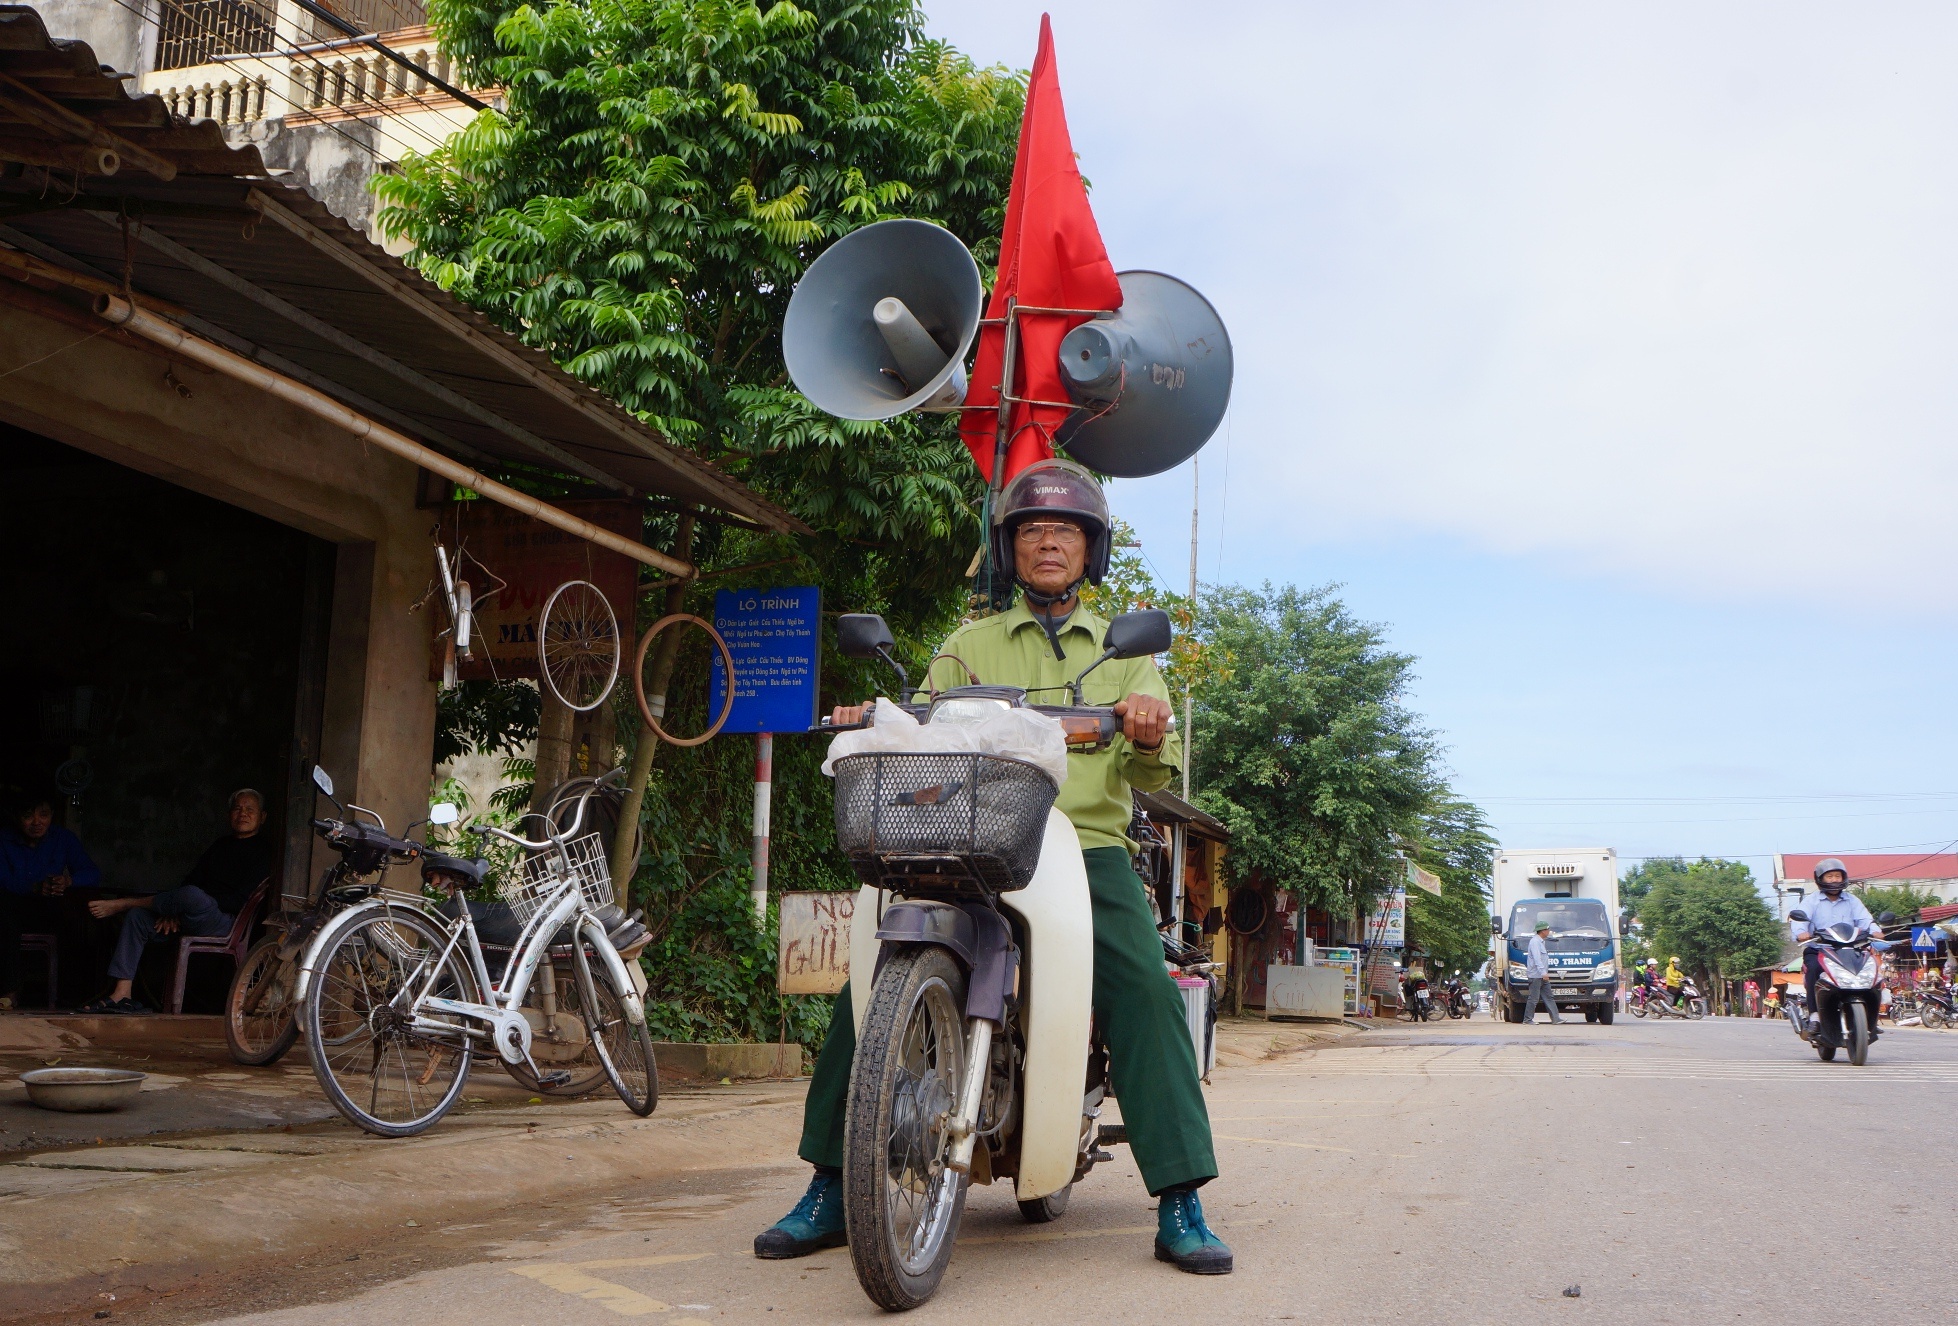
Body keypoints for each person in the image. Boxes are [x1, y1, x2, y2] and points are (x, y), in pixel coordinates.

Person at [753, 458, 1231, 1275]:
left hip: (1083, 847)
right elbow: (919, 735)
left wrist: (1148, 727)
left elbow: (1150, 768)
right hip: (970, 837)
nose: (1049, 543)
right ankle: (832, 1185)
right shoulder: (966, 645)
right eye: (1033, 530)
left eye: (1066, 531)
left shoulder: (1124, 654)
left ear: (1090, 550)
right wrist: (877, 719)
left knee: (1144, 990)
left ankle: (1181, 1198)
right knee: (867, 983)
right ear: (1010, 549)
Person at [81, 790, 275, 1013]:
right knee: (138, 918)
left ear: (262, 817)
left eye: (250, 809)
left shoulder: (264, 852)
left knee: (192, 895)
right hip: (189, 915)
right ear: (229, 814)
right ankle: (122, 993)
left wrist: (188, 905)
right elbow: (190, 881)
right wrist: (174, 912)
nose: (243, 814)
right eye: (237, 808)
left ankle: (126, 903)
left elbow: (238, 901)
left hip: (225, 922)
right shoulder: (220, 846)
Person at [0, 790, 101, 1010]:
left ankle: (69, 995)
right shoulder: (3, 839)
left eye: (43, 815)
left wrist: (68, 880)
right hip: (11, 908)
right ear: (16, 816)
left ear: (52, 815)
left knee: (77, 922)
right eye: (28, 816)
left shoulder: (63, 838)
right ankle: (10, 991)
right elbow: (3, 880)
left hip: (48, 911)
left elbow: (92, 873)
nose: (37, 822)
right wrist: (33, 887)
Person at [1790, 857, 1880, 1036]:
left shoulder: (1852, 901)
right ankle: (1815, 1016)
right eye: (1829, 876)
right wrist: (1801, 932)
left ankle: (1870, 1017)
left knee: (1872, 971)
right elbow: (1799, 921)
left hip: (1850, 950)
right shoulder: (1811, 901)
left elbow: (1865, 920)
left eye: (1837, 876)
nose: (1834, 880)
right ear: (1820, 879)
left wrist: (1876, 931)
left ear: (1844, 878)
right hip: (1820, 950)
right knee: (1814, 970)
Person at [1521, 919, 1564, 1024]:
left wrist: (1544, 973)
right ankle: (1527, 1019)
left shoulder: (1541, 941)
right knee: (1533, 998)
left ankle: (1556, 1019)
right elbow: (1537, 959)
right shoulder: (1535, 942)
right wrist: (1543, 972)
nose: (1549, 931)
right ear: (1543, 931)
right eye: (1548, 930)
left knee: (1549, 997)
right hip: (1536, 976)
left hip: (1542, 976)